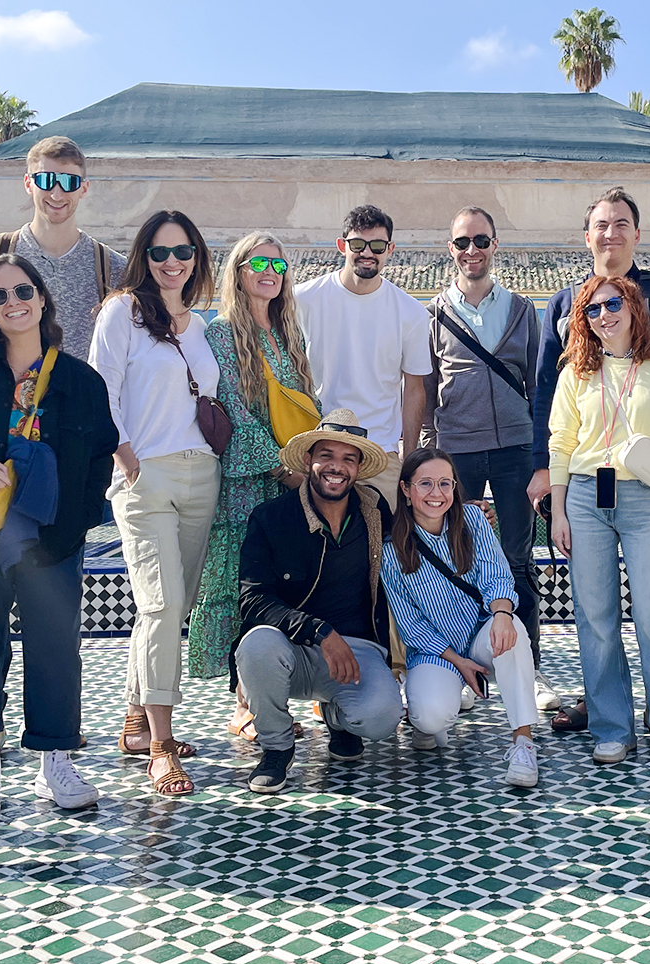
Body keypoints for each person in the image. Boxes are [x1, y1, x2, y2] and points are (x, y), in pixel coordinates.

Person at [0, 254, 118, 822]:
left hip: (50, 534)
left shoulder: (78, 379)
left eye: (23, 291)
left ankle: (54, 757)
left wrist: (73, 524)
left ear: (42, 298)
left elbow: (99, 457)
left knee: (55, 644)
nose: (14, 303)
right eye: (0, 295)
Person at [88, 210, 219, 796]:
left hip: (202, 476)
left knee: (174, 604)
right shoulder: (123, 313)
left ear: (197, 258)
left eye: (183, 252)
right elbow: (102, 388)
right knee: (162, 605)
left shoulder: (199, 324)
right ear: (144, 256)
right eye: (161, 253)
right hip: (146, 477)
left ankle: (137, 717)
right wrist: (121, 451)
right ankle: (162, 745)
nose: (173, 263)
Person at [547, 275, 650, 766]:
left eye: (613, 304)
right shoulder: (575, 372)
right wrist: (557, 509)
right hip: (587, 497)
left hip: (646, 498)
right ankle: (612, 726)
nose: (604, 316)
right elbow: (560, 443)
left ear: (635, 308)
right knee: (595, 619)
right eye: (592, 311)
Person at [422, 205, 557, 709]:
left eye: (481, 240)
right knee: (451, 559)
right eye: (462, 242)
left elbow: (538, 385)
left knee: (518, 560)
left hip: (515, 450)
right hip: (456, 453)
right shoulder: (433, 314)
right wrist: (425, 453)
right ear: (450, 249)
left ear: (495, 245)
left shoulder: (523, 310)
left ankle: (530, 669)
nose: (472, 251)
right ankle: (462, 668)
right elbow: (427, 386)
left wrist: (543, 453)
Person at [235, 411, 406, 794]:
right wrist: (320, 632)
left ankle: (339, 720)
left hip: (358, 652)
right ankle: (277, 747)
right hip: (291, 650)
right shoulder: (271, 518)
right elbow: (253, 600)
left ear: (359, 469)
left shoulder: (374, 511)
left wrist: (466, 517)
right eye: (327, 455)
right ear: (310, 461)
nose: (336, 467)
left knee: (381, 719)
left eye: (348, 459)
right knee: (256, 645)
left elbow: (415, 548)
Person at [529, 186, 650, 512]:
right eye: (601, 226)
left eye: (621, 224)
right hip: (584, 471)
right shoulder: (564, 304)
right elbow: (547, 388)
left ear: (637, 234)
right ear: (587, 237)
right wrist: (543, 463)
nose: (611, 233)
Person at [190, 232, 316, 684]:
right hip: (251, 482)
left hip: (294, 478)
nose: (269, 274)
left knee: (287, 581)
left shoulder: (288, 333)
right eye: (258, 265)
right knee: (246, 581)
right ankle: (244, 698)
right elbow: (236, 413)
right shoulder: (222, 332)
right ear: (238, 273)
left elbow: (304, 401)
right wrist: (282, 468)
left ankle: (283, 686)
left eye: (278, 266)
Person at [381, 448, 541, 787]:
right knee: (430, 719)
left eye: (444, 483)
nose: (436, 494)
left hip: (482, 632)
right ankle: (435, 702)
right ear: (406, 490)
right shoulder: (392, 549)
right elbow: (411, 624)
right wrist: (459, 662)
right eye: (425, 484)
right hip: (437, 651)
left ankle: (523, 742)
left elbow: (496, 573)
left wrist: (500, 614)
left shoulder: (473, 521)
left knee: (512, 633)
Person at [296, 205, 431, 504]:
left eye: (377, 245)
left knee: (384, 546)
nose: (367, 252)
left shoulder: (411, 313)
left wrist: (408, 460)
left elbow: (414, 390)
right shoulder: (302, 300)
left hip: (380, 455)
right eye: (358, 244)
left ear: (390, 249)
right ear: (342, 245)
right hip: (319, 451)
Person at [0, 135, 126, 361]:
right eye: (46, 180)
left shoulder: (114, 267)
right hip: (8, 393)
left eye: (69, 181)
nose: (57, 193)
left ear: (84, 188)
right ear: (28, 184)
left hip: (83, 394)